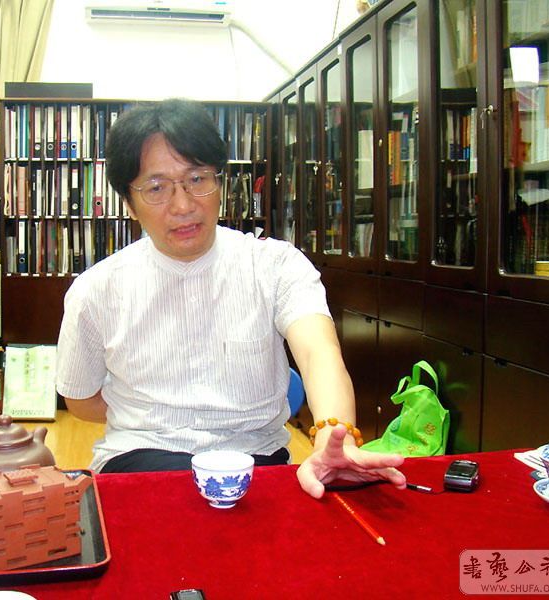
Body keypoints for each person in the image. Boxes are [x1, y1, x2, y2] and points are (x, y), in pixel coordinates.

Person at [56, 98, 406, 498]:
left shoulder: (276, 265)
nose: (183, 205)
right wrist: (148, 418)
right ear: (128, 204)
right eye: (156, 188)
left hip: (257, 459)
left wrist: (334, 436)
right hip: (141, 460)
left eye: (197, 179)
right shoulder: (96, 289)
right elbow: (79, 399)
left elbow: (317, 353)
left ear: (220, 182)